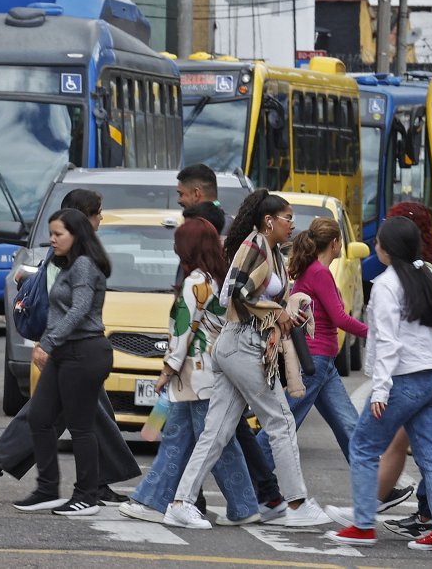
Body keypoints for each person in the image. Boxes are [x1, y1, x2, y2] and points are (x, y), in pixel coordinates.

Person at [166, 189, 330, 530]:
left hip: (241, 345)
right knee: (280, 420)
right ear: (269, 221)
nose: (292, 224)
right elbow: (237, 293)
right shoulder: (254, 247)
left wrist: (292, 305)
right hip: (241, 345)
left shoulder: (272, 250)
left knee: (218, 431)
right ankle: (296, 504)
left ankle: (181, 502)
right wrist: (277, 310)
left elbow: (268, 295)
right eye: (287, 218)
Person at [0, 189, 139, 504]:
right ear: (83, 218)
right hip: (68, 349)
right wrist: (48, 344)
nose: (101, 220)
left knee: (88, 415)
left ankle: (96, 481)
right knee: (47, 415)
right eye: (98, 214)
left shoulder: (76, 254)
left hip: (75, 348)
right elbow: (68, 309)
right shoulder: (70, 258)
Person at [325, 215, 432, 551]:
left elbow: (386, 343)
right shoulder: (429, 274)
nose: (375, 246)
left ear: (387, 249)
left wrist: (380, 391)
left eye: (379, 241)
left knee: (364, 446)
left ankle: (363, 525)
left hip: (402, 381)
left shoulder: (386, 285)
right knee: (431, 454)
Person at [119, 218, 258, 526]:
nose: (174, 247)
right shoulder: (218, 280)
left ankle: (155, 501)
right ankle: (242, 506)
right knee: (196, 440)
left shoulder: (195, 282)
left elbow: (183, 330)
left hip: (197, 375)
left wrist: (166, 370)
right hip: (214, 373)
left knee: (207, 443)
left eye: (178, 242)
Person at [13, 208, 113, 517]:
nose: (52, 239)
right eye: (51, 233)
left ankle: (87, 495)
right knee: (40, 417)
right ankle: (47, 488)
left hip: (84, 351)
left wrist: (48, 342)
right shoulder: (67, 265)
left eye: (58, 234)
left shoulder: (83, 265)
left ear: (76, 235)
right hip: (65, 352)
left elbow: (80, 310)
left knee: (80, 426)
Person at [256, 217, 364, 463]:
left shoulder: (311, 270)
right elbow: (340, 319)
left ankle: (376, 486)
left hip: (322, 363)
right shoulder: (320, 272)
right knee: (283, 424)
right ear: (335, 244)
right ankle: (257, 475)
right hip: (313, 362)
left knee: (349, 427)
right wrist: (375, 333)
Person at [176, 164, 228, 233]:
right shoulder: (232, 227)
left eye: (181, 194)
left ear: (196, 194)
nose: (179, 200)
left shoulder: (194, 231)